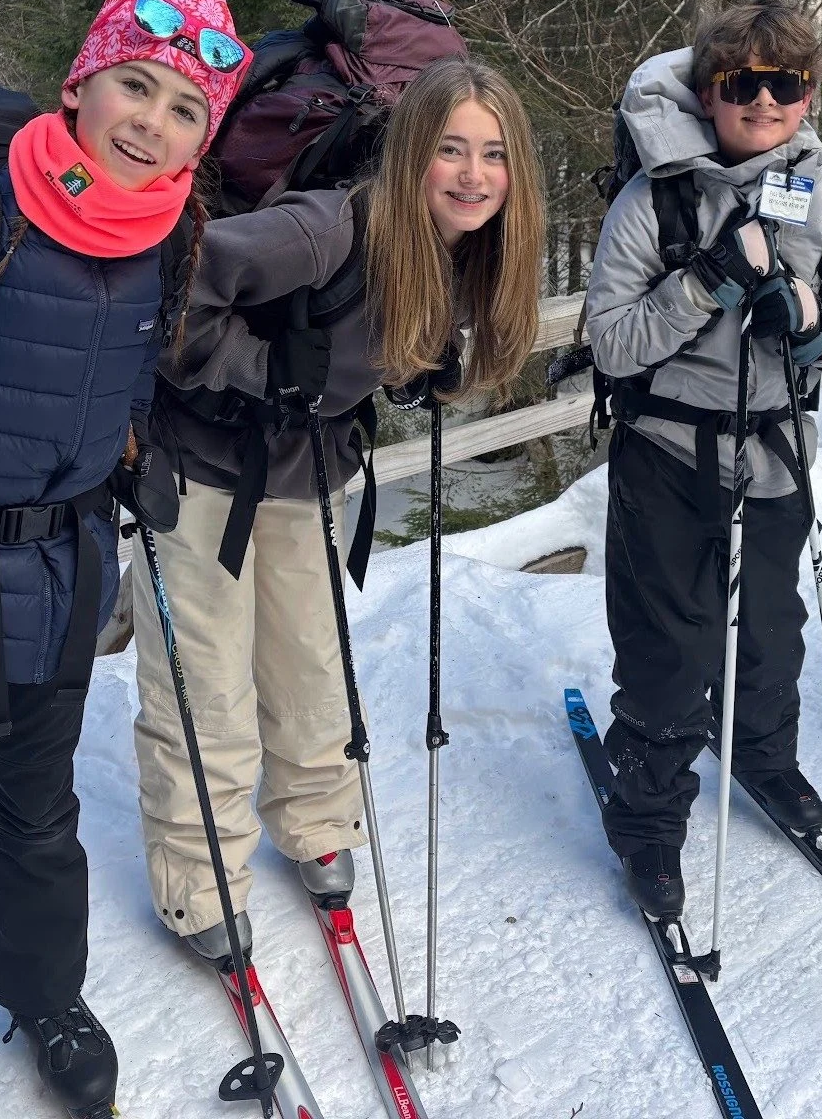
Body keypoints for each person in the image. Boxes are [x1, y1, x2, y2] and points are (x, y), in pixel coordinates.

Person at [0, 0, 248, 1119]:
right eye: (134, 87)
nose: (151, 124)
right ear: (80, 83)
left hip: (60, 581)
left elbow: (128, 386)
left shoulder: (166, 237)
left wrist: (130, 469)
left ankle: (46, 996)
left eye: (185, 110)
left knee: (40, 820)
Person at [131, 56, 546, 959]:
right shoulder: (324, 229)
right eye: (450, 149)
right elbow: (173, 291)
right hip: (202, 465)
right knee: (205, 683)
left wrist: (417, 370)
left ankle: (316, 819)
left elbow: (365, 345)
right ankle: (198, 880)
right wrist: (264, 369)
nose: (474, 175)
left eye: (494, 154)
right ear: (410, 154)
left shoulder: (464, 250)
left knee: (312, 664)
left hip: (308, 469)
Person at [584, 0, 822, 919]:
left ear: (809, 94)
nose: (765, 101)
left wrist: (814, 329)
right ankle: (649, 816)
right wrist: (704, 284)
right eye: (744, 84)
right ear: (709, 93)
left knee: (769, 628)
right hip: (666, 451)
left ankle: (762, 754)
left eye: (786, 84)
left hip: (775, 449)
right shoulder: (656, 196)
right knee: (669, 644)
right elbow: (612, 341)